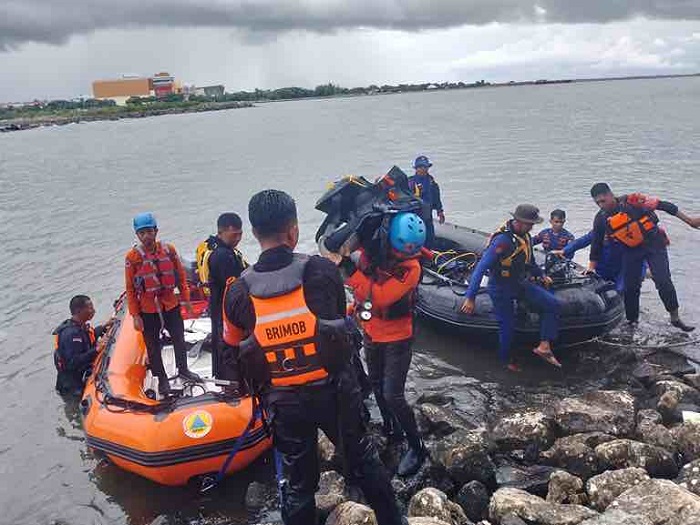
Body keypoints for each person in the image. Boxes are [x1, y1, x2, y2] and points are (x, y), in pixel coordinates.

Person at [221, 190, 403, 525]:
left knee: (299, 483)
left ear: (254, 233)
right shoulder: (321, 271)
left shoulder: (236, 291)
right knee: (364, 462)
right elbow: (339, 326)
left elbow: (232, 349)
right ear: (293, 231)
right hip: (335, 394)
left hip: (283, 403)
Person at [344, 212, 427, 477]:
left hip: (398, 338)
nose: (404, 255)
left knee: (393, 394)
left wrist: (348, 271)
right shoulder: (375, 251)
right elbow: (364, 278)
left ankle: (417, 447)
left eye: (408, 251)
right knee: (376, 384)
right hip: (372, 331)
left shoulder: (411, 269)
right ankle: (393, 430)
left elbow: (380, 297)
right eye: (401, 250)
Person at [460, 204, 561, 371]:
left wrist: (541, 275)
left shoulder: (526, 237)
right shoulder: (502, 241)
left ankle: (544, 346)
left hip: (519, 283)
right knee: (507, 325)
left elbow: (530, 261)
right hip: (500, 287)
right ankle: (505, 361)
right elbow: (481, 267)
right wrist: (470, 297)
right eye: (529, 223)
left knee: (552, 303)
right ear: (518, 221)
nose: (532, 227)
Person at [588, 183, 699, 331]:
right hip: (631, 251)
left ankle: (675, 318)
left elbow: (664, 205)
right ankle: (632, 321)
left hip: (654, 244)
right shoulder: (601, 218)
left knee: (663, 280)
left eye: (603, 201)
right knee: (631, 287)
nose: (601, 205)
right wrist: (591, 267)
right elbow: (596, 244)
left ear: (610, 194)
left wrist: (690, 221)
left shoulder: (633, 201)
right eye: (597, 203)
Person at [125, 212, 200, 396]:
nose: (146, 236)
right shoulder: (132, 258)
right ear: (137, 235)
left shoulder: (168, 250)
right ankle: (162, 379)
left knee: (179, 338)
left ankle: (184, 369)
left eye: (149, 232)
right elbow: (130, 288)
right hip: (148, 308)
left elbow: (180, 276)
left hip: (170, 303)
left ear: (156, 231)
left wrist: (186, 300)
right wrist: (135, 315)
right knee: (153, 346)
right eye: (142, 233)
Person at [196, 213, 248, 377]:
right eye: (234, 235)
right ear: (221, 232)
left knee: (221, 345)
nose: (238, 238)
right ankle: (231, 381)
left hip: (218, 306)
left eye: (240, 234)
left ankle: (223, 378)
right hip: (225, 309)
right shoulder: (222, 256)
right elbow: (236, 285)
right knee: (228, 347)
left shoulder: (216, 247)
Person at [53, 295, 114, 396]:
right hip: (72, 386)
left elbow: (88, 338)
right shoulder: (71, 334)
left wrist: (103, 327)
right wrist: (96, 349)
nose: (94, 311)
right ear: (79, 311)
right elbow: (73, 362)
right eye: (90, 308)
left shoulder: (79, 326)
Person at [408, 155, 444, 248]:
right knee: (416, 240)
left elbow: (437, 199)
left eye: (425, 167)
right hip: (415, 217)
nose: (423, 169)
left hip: (427, 216)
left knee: (430, 239)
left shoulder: (432, 182)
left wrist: (440, 212)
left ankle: (429, 252)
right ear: (416, 168)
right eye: (420, 167)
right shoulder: (410, 182)